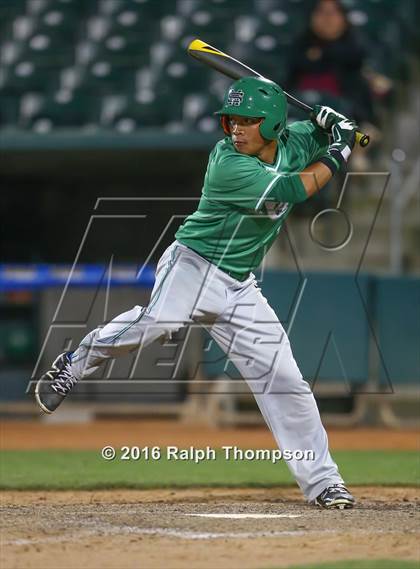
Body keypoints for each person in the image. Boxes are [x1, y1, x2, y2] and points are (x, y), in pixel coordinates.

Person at [35, 76, 357, 509]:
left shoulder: (296, 141)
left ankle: (323, 484)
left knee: (285, 381)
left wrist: (334, 124)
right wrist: (339, 147)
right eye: (232, 120)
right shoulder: (228, 163)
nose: (237, 129)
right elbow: (296, 189)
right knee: (161, 321)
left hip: (240, 284)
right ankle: (76, 362)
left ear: (275, 123)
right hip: (193, 264)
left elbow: (331, 131)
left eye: (249, 120)